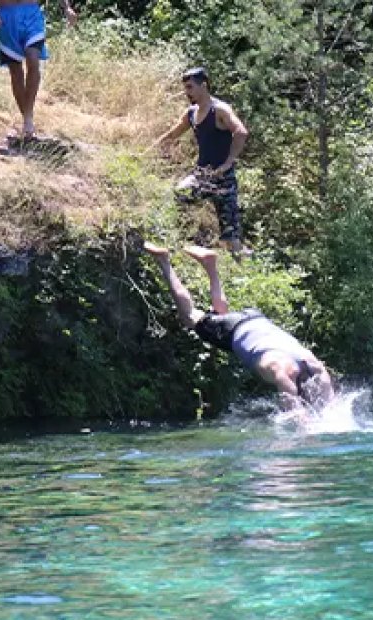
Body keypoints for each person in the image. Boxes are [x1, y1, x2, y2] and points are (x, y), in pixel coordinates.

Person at [143, 241, 334, 415]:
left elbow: (330, 408)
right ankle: (164, 261)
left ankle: (210, 264)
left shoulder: (314, 365)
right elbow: (296, 416)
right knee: (189, 316)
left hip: (255, 319)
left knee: (221, 315)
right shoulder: (283, 373)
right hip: (237, 329)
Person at [155, 68, 251, 255]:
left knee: (230, 237)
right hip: (202, 175)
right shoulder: (191, 113)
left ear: (204, 85)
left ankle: (243, 270)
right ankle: (181, 247)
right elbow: (172, 135)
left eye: (190, 87)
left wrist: (228, 163)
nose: (187, 92)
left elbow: (241, 132)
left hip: (223, 180)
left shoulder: (220, 110)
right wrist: (146, 154)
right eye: (185, 88)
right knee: (179, 196)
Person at [0, 0, 77, 146]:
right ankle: (27, 121)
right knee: (16, 72)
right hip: (6, 17)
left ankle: (28, 119)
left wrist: (67, 8)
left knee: (33, 60)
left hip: (32, 15)